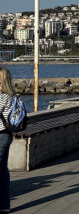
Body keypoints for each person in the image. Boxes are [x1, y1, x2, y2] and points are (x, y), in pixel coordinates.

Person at [0, 67, 15, 213]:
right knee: (2, 171)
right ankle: (4, 206)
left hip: (0, 136)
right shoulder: (12, 96)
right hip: (7, 135)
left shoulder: (1, 97)